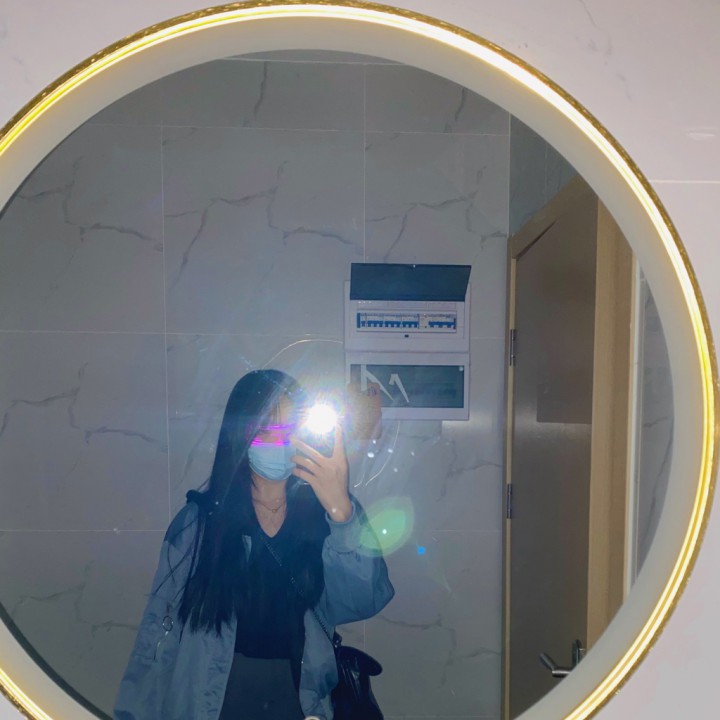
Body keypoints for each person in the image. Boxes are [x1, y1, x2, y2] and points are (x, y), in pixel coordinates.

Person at [114, 369, 394, 720]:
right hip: (209, 702)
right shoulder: (199, 523)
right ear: (240, 437)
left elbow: (365, 601)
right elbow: (156, 636)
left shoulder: (325, 517)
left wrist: (341, 512)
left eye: (290, 428)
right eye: (265, 430)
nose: (279, 442)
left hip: (299, 702)